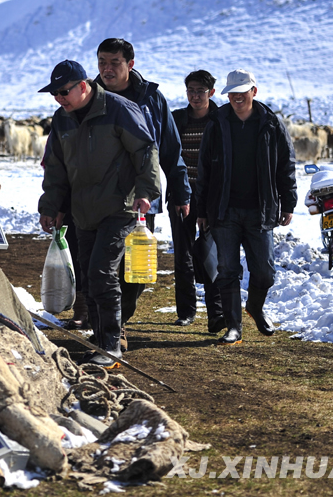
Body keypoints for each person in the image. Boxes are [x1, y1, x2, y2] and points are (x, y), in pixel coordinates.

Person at [38, 59, 161, 366]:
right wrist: (51, 206)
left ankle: (111, 343)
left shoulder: (119, 110)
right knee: (88, 277)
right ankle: (100, 335)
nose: (59, 98)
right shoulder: (62, 119)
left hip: (119, 206)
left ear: (83, 86)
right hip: (83, 210)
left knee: (102, 273)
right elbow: (55, 168)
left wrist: (146, 191)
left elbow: (146, 152)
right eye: (54, 93)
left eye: (63, 91)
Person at [93, 38, 191, 334]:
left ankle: (117, 321)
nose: (107, 69)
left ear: (130, 64)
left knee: (136, 270)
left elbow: (170, 148)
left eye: (114, 63)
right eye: (102, 62)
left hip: (140, 197)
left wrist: (181, 191)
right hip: (95, 196)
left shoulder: (151, 99)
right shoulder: (88, 96)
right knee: (98, 266)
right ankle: (108, 329)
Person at [195, 69, 297, 345]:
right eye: (233, 94)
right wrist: (201, 209)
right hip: (223, 209)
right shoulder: (217, 122)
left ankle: (255, 306)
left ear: (254, 91)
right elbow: (203, 168)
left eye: (243, 92)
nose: (237, 98)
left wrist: (288, 202)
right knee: (227, 269)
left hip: (260, 209)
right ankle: (233, 327)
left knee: (264, 271)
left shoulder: (271, 123)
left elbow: (286, 165)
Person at [171, 71, 224, 332]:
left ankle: (216, 312)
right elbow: (168, 155)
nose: (195, 96)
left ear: (211, 93)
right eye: (191, 90)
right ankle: (186, 311)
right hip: (181, 195)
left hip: (211, 198)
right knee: (183, 253)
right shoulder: (177, 119)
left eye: (200, 91)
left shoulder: (222, 119)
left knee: (210, 252)